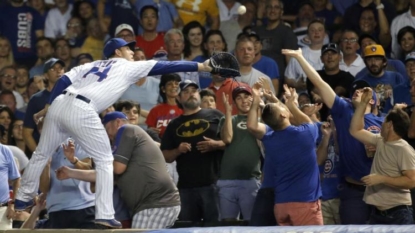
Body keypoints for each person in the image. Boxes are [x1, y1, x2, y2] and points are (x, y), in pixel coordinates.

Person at [14, 38, 214, 228]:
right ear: (118, 52)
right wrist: (201, 66)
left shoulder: (90, 65)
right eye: (128, 49)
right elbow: (167, 67)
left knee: (41, 153)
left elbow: (63, 80)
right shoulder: (126, 65)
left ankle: (23, 198)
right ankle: (105, 215)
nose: (132, 52)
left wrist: (48, 105)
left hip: (59, 103)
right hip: (82, 108)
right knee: (104, 160)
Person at [281, 48, 384, 224]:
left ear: (373, 100)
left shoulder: (384, 121)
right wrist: (299, 57)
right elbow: (319, 83)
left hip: (383, 188)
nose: (359, 91)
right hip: (354, 190)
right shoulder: (344, 111)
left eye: (365, 90)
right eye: (355, 91)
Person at [246, 82, 322, 226]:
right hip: (305, 202)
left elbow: (252, 126)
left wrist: (256, 101)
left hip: (281, 204)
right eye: (283, 107)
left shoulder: (269, 139)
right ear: (283, 114)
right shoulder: (306, 134)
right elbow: (305, 121)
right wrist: (292, 104)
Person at [350, 87, 415, 224]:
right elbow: (355, 130)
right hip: (377, 213)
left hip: (398, 213)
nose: (382, 124)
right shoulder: (381, 141)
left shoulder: (404, 149)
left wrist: (382, 179)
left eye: (384, 122)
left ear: (390, 124)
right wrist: (362, 104)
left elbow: (412, 181)